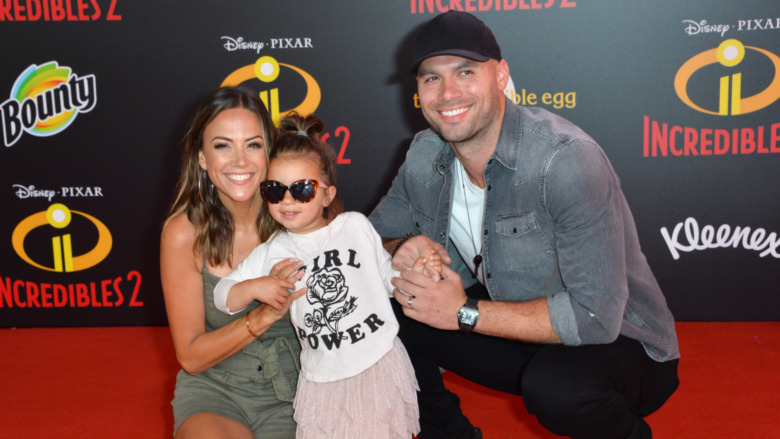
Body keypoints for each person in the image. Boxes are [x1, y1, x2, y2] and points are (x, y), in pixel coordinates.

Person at [368, 10, 680, 439]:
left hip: (622, 346)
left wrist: (460, 312)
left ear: (501, 76)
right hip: (509, 325)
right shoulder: (423, 154)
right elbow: (367, 239)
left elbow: (594, 318)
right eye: (431, 78)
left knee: (558, 388)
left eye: (465, 71)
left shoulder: (565, 161)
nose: (447, 92)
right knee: (377, 307)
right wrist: (403, 244)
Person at [212, 112, 424, 439]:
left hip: (376, 363)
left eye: (302, 189)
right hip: (321, 378)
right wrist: (258, 287)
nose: (287, 200)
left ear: (326, 195)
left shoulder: (353, 226)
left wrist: (415, 272)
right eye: (274, 190)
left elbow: (387, 277)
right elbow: (222, 296)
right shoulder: (272, 251)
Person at [160, 86, 306, 439]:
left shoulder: (303, 218)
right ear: (202, 158)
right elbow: (191, 357)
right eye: (223, 145)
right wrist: (262, 315)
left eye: (253, 145)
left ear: (269, 153)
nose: (240, 161)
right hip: (215, 391)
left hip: (301, 394)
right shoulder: (183, 233)